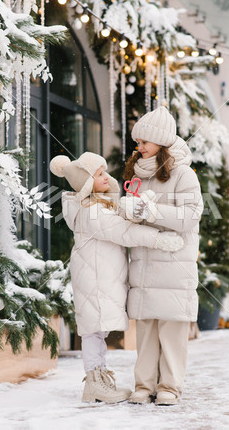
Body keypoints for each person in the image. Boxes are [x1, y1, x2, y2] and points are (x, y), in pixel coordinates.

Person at [49, 151, 184, 404]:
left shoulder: (99, 205)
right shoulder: (90, 212)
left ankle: (98, 379)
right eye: (98, 174)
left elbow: (123, 217)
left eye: (103, 172)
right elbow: (124, 232)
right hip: (94, 280)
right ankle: (94, 382)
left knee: (95, 331)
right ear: (86, 183)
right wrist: (158, 239)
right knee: (93, 331)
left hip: (100, 278)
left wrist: (141, 203)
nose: (105, 176)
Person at [120, 106, 203, 406]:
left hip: (174, 265)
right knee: (146, 329)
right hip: (143, 264)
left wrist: (150, 210)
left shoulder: (183, 174)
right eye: (138, 142)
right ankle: (143, 385)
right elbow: (134, 217)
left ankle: (170, 386)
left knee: (171, 328)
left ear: (162, 142)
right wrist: (127, 210)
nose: (139, 147)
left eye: (144, 141)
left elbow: (190, 217)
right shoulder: (137, 175)